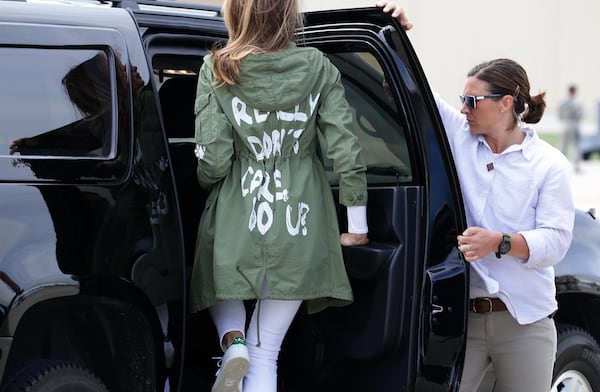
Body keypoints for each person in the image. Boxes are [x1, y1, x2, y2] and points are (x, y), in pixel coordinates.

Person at [376, 3, 574, 391]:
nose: (464, 109)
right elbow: (413, 95)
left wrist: (498, 242)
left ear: (506, 103)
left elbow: (556, 242)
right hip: (461, 321)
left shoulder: (548, 164)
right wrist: (393, 31)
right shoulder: (460, 134)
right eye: (462, 99)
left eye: (473, 101)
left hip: (525, 322)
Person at [188, 0, 369, 391]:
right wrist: (356, 225)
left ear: (234, 14)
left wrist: (205, 181)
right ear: (290, 15)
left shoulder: (218, 68)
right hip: (300, 220)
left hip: (238, 213)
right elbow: (345, 149)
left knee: (219, 279)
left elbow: (214, 158)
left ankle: (231, 339)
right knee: (266, 351)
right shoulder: (319, 67)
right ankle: (242, 345)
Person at [558, 84, 584, 172]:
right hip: (574, 124)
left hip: (565, 124)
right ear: (575, 92)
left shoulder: (563, 102)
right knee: (576, 146)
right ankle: (576, 167)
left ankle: (561, 166)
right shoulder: (577, 103)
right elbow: (580, 115)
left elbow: (560, 114)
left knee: (563, 145)